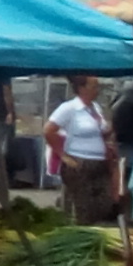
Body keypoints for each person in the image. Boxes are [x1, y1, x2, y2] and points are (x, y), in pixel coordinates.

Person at [43, 76, 117, 224]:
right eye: (94, 86)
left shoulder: (95, 107)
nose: (98, 90)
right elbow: (49, 130)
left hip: (99, 162)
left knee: (103, 203)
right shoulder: (69, 108)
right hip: (80, 161)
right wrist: (63, 155)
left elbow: (100, 131)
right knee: (84, 206)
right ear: (82, 89)